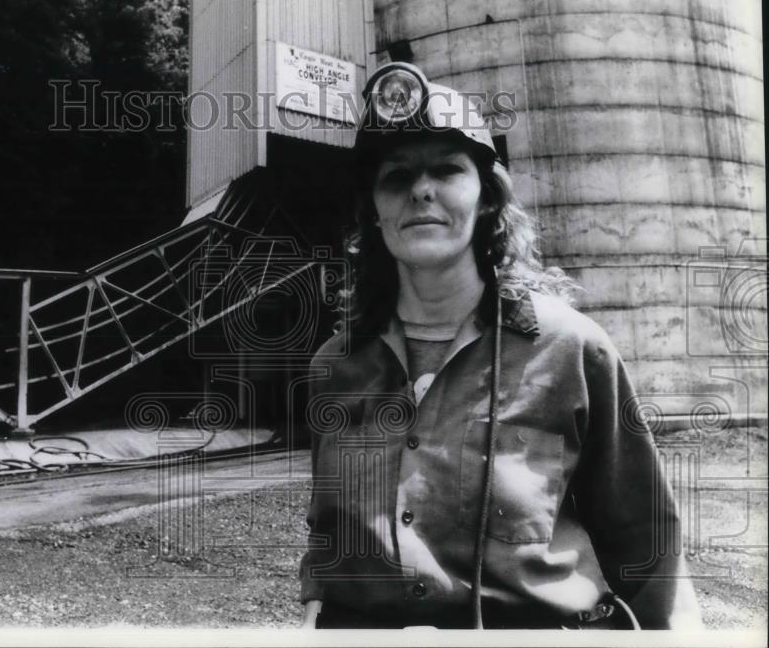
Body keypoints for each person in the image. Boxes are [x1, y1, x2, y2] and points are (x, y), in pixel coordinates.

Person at [299, 62, 703, 630]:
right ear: (373, 209)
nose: (421, 190)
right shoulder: (332, 367)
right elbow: (327, 528)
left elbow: (648, 543)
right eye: (396, 177)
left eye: (447, 170)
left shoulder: (571, 349)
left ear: (487, 198)